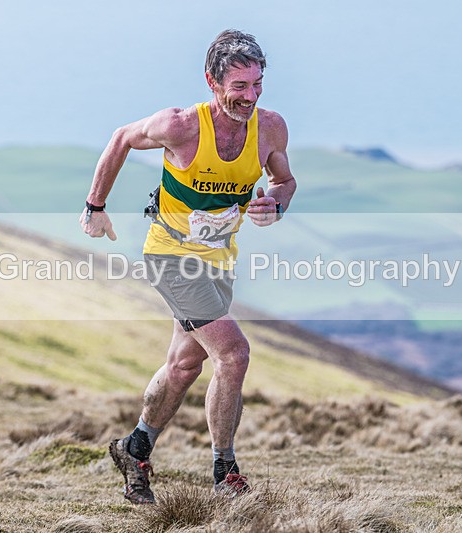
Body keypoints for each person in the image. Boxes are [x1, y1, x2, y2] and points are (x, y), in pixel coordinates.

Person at [80, 29, 296, 504]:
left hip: (219, 260)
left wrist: (275, 204)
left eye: (257, 84)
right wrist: (95, 206)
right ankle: (225, 473)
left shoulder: (271, 128)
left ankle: (135, 448)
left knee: (184, 365)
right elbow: (121, 138)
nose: (251, 96)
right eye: (239, 86)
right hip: (171, 256)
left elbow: (284, 180)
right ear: (212, 82)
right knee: (233, 354)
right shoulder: (180, 126)